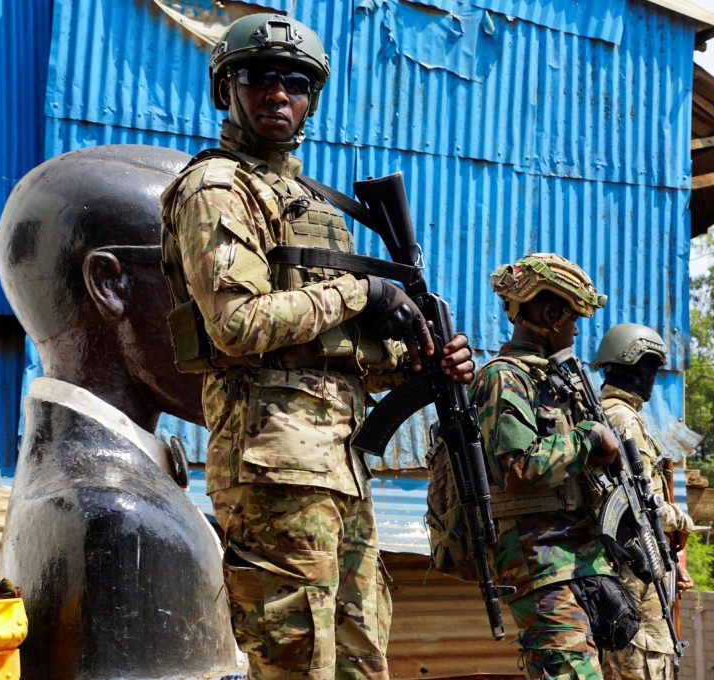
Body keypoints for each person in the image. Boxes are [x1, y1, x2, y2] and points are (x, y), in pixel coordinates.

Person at [159, 13, 474, 679]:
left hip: (342, 463)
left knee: (361, 661)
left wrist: (418, 362)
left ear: (312, 99)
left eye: (297, 83)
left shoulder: (309, 202)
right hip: (273, 466)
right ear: (226, 89)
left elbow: (333, 357)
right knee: (297, 664)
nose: (279, 94)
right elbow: (236, 325)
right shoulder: (217, 189)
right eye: (260, 78)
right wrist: (360, 294)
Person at [0, 144, 238, 679]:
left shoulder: (88, 489)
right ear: (110, 284)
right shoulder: (118, 516)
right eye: (210, 284)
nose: (238, 322)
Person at [469, 253, 641, 679]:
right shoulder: (504, 378)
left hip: (578, 555)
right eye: (573, 318)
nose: (576, 330)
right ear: (549, 315)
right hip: (539, 559)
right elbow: (517, 468)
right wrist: (588, 439)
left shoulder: (557, 382)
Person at [592, 323, 695, 680]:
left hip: (630, 569)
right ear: (631, 366)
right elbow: (639, 503)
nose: (653, 376)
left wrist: (670, 562)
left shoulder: (609, 414)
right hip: (632, 575)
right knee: (644, 664)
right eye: (649, 366)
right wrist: (682, 520)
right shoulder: (623, 419)